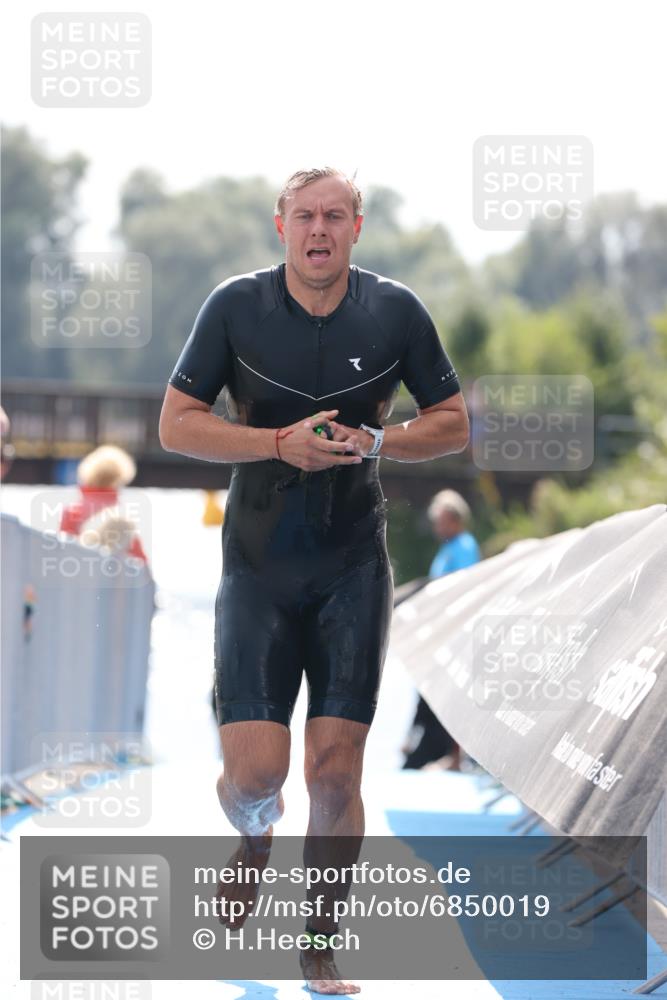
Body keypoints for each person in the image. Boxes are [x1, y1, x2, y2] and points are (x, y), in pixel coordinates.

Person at [159, 167, 469, 994]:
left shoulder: (395, 311)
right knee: (254, 776)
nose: (319, 229)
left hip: (351, 566)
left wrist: (381, 441)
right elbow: (176, 424)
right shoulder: (235, 306)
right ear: (281, 226)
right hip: (257, 567)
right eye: (305, 216)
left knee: (334, 772)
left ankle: (319, 938)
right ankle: (255, 837)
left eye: (335, 215)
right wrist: (273, 444)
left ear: (356, 227)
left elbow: (451, 423)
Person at [401, 489, 480, 771]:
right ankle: (425, 741)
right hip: (440, 630)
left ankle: (456, 756)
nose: (438, 528)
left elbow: (463, 587)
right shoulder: (448, 548)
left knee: (452, 691)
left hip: (455, 631)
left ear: (456, 520)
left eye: (442, 522)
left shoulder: (464, 547)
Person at [59, 444, 148, 563]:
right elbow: (141, 561)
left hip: (79, 570)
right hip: (112, 572)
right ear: (120, 478)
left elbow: (64, 551)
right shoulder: (123, 518)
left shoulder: (73, 511)